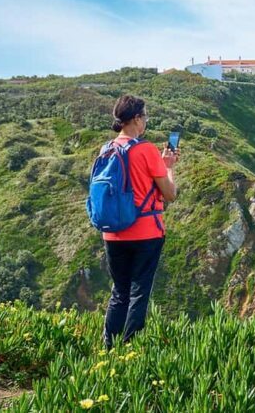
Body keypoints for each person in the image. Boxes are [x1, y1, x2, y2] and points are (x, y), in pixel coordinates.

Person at [101, 94, 179, 349]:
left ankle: (109, 347)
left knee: (119, 291)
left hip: (112, 233)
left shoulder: (107, 149)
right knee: (139, 292)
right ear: (136, 119)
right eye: (145, 117)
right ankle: (131, 349)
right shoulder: (145, 149)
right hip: (145, 232)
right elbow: (170, 194)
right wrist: (169, 167)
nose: (145, 122)